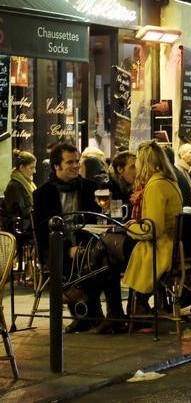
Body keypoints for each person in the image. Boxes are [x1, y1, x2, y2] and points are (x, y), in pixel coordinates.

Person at [32, 143, 116, 333]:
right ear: (56, 166)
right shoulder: (43, 194)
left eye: (77, 162)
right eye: (70, 162)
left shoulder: (90, 188)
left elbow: (99, 220)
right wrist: (67, 248)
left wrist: (107, 209)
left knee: (107, 258)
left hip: (88, 245)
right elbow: (42, 231)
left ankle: (107, 316)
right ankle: (90, 315)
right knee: (87, 260)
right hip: (57, 249)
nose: (75, 166)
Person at [123, 141, 184, 314]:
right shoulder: (170, 182)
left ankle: (132, 307)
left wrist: (131, 227)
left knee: (110, 255)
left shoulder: (155, 186)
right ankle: (137, 305)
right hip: (175, 246)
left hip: (162, 249)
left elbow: (153, 229)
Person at [2, 150, 36, 239]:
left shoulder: (26, 183)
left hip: (28, 225)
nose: (34, 171)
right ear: (21, 167)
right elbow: (21, 212)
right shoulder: (14, 186)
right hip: (21, 229)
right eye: (31, 168)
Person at [106, 151, 137, 217]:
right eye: (132, 167)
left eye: (137, 167)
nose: (137, 171)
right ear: (120, 169)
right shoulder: (107, 188)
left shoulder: (133, 188)